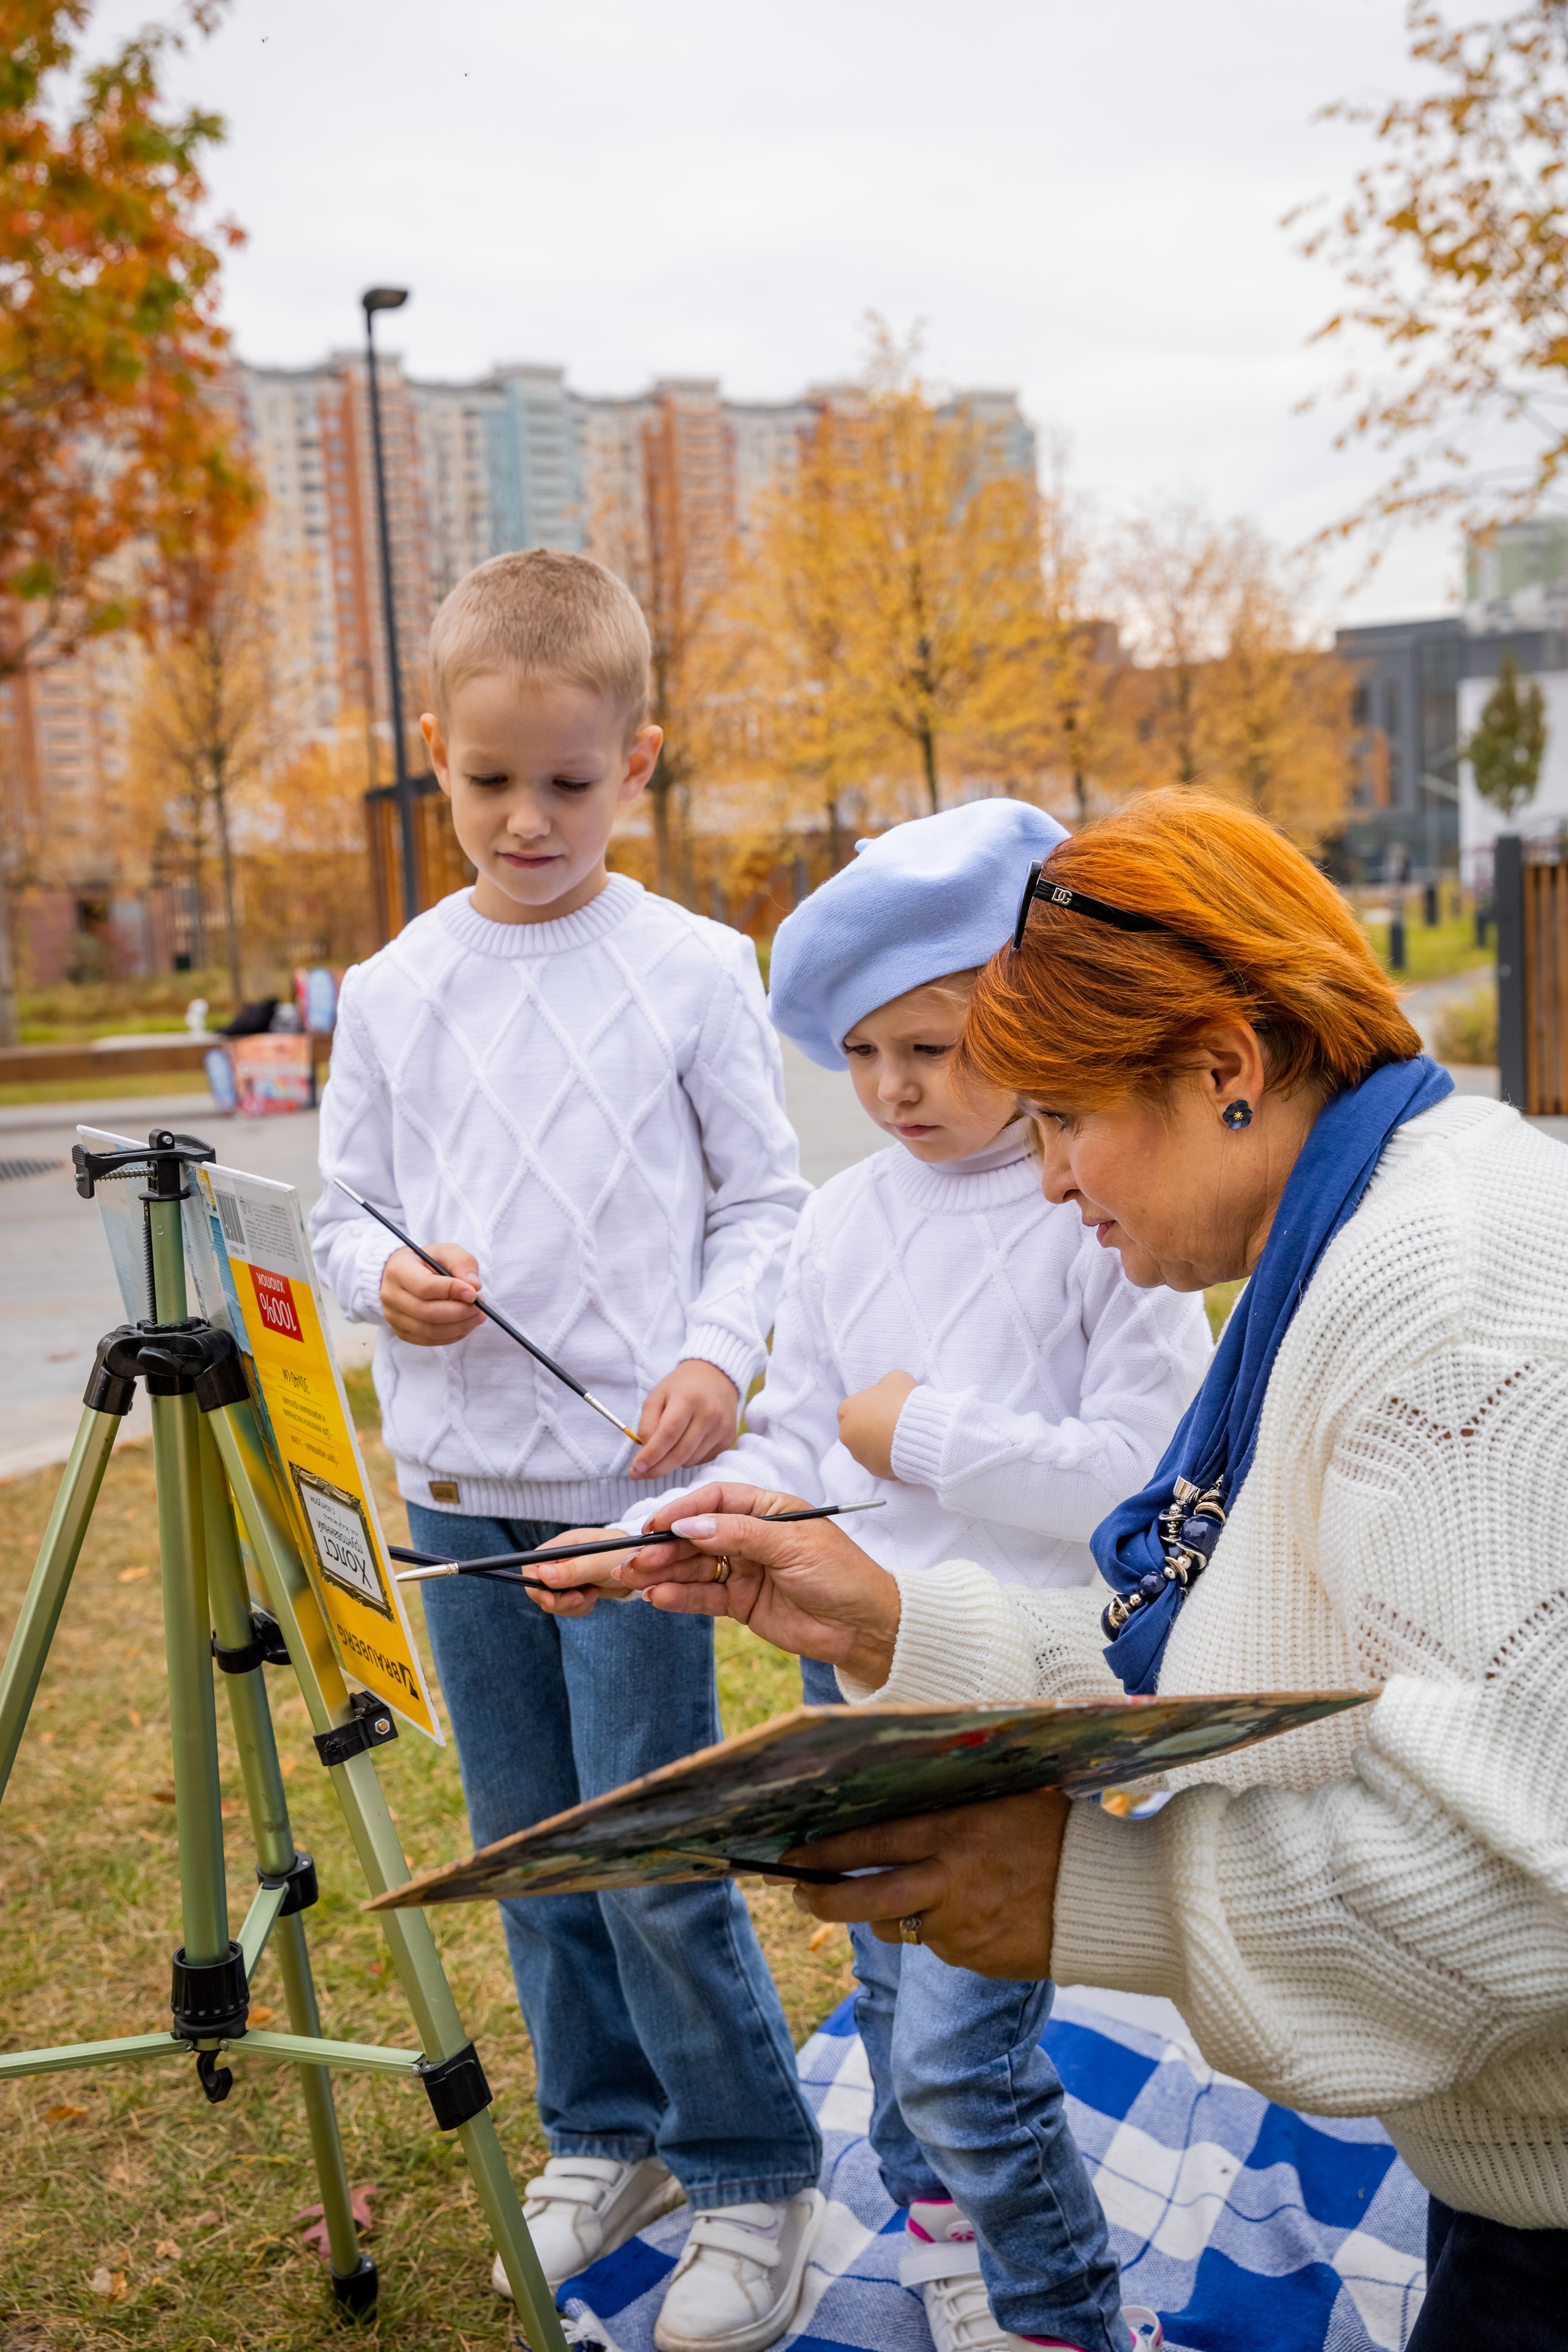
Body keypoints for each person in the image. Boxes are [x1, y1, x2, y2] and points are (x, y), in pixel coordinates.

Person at [571, 792, 1568, 2351]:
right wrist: (896, 1617)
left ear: (1221, 1070)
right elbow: (1272, 1661)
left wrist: (1075, 1885)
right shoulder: (1365, 1233)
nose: (1041, 1181)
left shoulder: (1447, 1309)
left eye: (1060, 1118)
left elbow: (1507, 1892)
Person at [538, 802, 1208, 2352]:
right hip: (845, 1680)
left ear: (1024, 1016)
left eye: (935, 1045)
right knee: (899, 1985)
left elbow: (1140, 1472)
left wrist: (923, 1432)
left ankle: (1053, 2305)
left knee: (966, 2054)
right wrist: (704, 1516)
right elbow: (799, 1429)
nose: (895, 1090)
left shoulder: (1089, 1209)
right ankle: (936, 2225)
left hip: (1014, 1691)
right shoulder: (838, 1221)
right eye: (861, 1055)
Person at [309, 549, 826, 2352]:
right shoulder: (388, 989)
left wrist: (712, 1352)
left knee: (651, 1845)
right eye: (488, 781)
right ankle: (608, 2133)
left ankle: (754, 2167)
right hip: (459, 1494)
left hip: (638, 1495)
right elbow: (336, 1213)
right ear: (432, 756)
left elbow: (768, 1205)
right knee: (529, 1839)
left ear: (644, 760)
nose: (527, 820)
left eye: (571, 782)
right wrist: (387, 1278)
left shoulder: (695, 969)